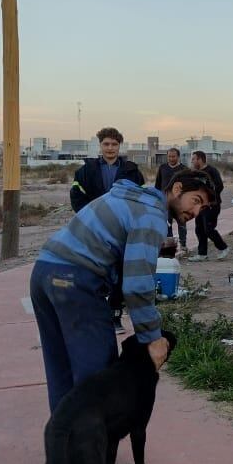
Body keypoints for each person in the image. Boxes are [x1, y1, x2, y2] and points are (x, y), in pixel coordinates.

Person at [30, 169, 212, 464]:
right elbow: (138, 284)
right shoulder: (152, 214)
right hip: (76, 280)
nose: (194, 213)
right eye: (195, 202)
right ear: (176, 188)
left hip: (44, 273)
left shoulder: (127, 196)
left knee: (61, 371)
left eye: (202, 209)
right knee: (98, 375)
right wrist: (153, 337)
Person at [71, 128, 146, 331]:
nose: (110, 148)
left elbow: (141, 200)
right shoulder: (86, 171)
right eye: (106, 144)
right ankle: (95, 314)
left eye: (114, 144)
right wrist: (90, 219)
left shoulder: (132, 171)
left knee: (120, 273)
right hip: (95, 231)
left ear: (119, 146)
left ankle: (115, 316)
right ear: (100, 145)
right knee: (95, 271)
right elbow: (77, 197)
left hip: (122, 231)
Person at [189, 150, 229, 261]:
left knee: (209, 229)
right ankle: (202, 254)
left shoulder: (211, 171)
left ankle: (223, 248)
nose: (192, 161)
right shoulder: (195, 173)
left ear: (200, 159)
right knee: (199, 229)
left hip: (212, 205)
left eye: (194, 159)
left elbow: (219, 186)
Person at [154, 147, 189, 257]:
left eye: (173, 156)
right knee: (167, 225)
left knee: (182, 225)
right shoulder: (162, 168)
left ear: (178, 157)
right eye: (169, 156)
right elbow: (158, 185)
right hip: (165, 202)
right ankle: (170, 248)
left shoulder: (184, 169)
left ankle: (183, 245)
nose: (171, 158)